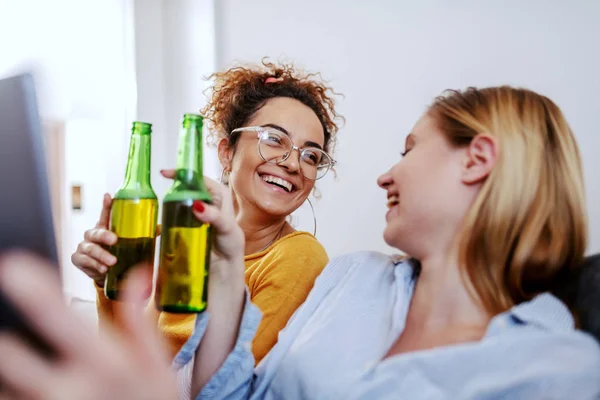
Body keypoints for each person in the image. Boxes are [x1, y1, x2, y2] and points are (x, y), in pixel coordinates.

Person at [1, 86, 599, 400]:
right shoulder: (354, 278)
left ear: (479, 159)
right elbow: (232, 394)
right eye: (274, 140)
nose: (386, 174)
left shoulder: (558, 372)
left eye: (411, 149)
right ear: (227, 149)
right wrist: (222, 263)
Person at [70, 60, 342, 362]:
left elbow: (234, 383)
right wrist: (106, 282)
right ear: (227, 152)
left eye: (311, 155)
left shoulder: (298, 256)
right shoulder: (190, 239)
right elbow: (127, 361)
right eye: (274, 139)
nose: (293, 163)